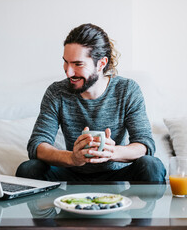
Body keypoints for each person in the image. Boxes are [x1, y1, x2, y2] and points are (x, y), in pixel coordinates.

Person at [16, 23, 166, 182]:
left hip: (117, 173)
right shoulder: (57, 92)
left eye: (77, 64)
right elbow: (37, 145)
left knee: (152, 165)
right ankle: (52, 207)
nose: (68, 72)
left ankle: (141, 207)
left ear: (101, 63)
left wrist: (112, 152)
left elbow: (145, 145)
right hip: (72, 172)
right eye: (66, 62)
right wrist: (72, 158)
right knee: (28, 169)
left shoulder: (127, 90)